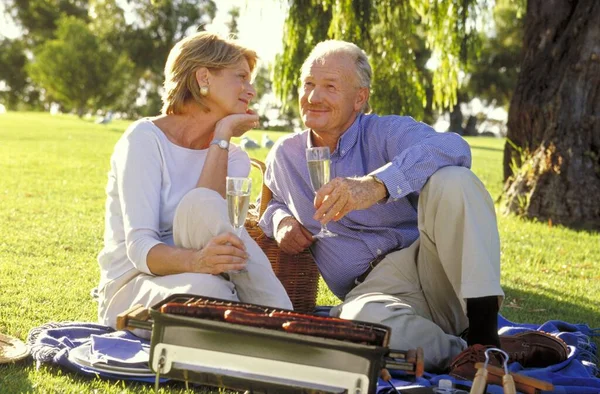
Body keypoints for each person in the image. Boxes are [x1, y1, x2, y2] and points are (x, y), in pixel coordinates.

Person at [259, 40, 567, 374]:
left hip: (431, 269)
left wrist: (376, 185)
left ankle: (483, 330)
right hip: (371, 291)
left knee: (453, 179)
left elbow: (452, 146)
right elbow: (271, 200)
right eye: (308, 85)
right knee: (359, 324)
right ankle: (477, 352)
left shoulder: (386, 131)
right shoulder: (285, 155)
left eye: (330, 87)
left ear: (359, 98)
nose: (314, 97)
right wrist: (280, 221)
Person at [96, 32, 292, 332]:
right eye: (241, 77)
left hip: (208, 278)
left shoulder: (235, 157)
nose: (251, 90)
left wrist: (222, 136)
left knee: (212, 291)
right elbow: (139, 248)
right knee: (209, 297)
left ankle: (281, 322)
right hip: (134, 286)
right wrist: (198, 262)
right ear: (204, 77)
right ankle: (286, 324)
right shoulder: (145, 140)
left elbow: (206, 217)